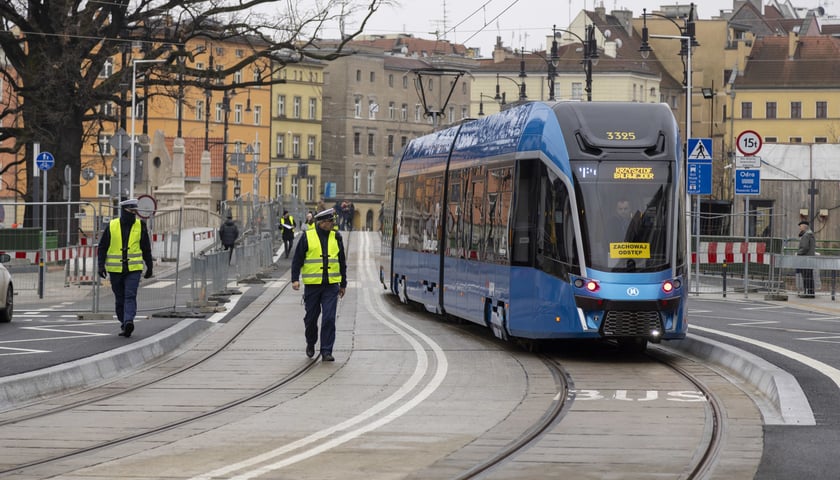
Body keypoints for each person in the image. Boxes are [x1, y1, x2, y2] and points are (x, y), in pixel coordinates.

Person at [291, 208, 347, 362]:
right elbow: (297, 259)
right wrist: (294, 279)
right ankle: (311, 342)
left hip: (331, 285)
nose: (333, 224)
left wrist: (343, 283)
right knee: (311, 319)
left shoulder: (336, 237)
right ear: (323, 223)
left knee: (329, 318)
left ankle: (326, 350)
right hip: (313, 286)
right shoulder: (307, 236)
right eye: (331, 221)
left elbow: (342, 261)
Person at [98, 198, 153, 338]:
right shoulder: (112, 225)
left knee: (130, 295)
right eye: (131, 211)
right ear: (124, 211)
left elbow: (146, 248)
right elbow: (103, 247)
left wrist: (149, 266)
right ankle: (124, 322)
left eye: (135, 211)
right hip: (115, 270)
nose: (134, 214)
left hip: (133, 269)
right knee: (119, 299)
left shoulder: (140, 225)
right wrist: (100, 266)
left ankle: (129, 321)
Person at [797, 219, 816, 298]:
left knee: (806, 276)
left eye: (800, 227)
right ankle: (811, 292)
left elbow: (804, 248)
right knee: (809, 276)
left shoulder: (806, 236)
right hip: (810, 258)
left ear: (804, 227)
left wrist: (798, 253)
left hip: (805, 259)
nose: (800, 228)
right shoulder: (811, 234)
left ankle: (807, 292)